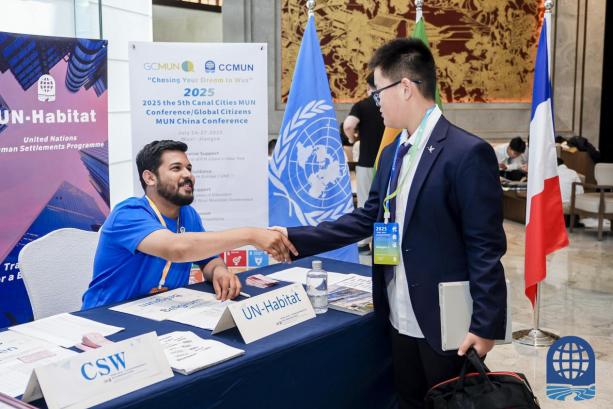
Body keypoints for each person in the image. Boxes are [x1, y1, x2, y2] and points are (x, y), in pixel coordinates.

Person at [273, 39, 507, 408]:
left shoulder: (465, 153)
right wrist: (293, 236)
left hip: (445, 320)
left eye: (377, 91)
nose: (375, 102)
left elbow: (485, 246)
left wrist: (485, 324)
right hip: (398, 314)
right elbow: (368, 218)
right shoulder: (392, 154)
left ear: (405, 87)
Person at [82, 140, 297, 309]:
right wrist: (250, 234)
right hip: (108, 318)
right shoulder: (127, 213)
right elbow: (177, 248)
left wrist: (219, 271)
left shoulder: (187, 214)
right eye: (176, 168)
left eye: (189, 168)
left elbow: (208, 259)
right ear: (150, 178)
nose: (188, 175)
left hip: (164, 311)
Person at [343, 72, 385, 252]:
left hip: (367, 162)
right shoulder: (391, 103)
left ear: (368, 87)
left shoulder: (362, 105)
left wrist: (351, 140)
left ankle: (363, 242)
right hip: (389, 161)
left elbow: (348, 125)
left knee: (366, 202)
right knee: (386, 205)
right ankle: (382, 245)